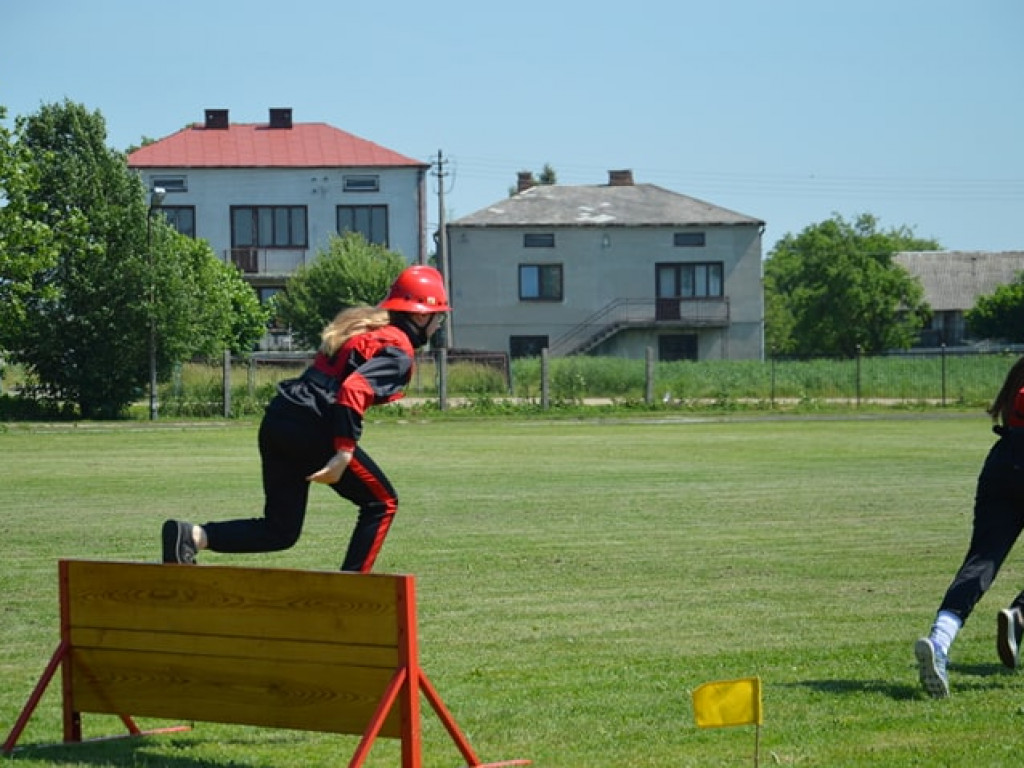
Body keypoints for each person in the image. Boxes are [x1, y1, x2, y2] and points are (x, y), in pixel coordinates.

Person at [161, 264, 450, 572]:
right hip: (313, 426)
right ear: (421, 315)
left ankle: (193, 536)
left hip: (280, 417)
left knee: (280, 530)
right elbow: (353, 389)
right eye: (439, 316)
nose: (438, 325)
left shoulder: (368, 331)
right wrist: (344, 451)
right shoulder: (398, 349)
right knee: (382, 503)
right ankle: (351, 588)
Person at [915, 356, 1024, 698]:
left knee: (981, 561)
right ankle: (1019, 616)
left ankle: (939, 641)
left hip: (1002, 462)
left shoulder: (1019, 373)